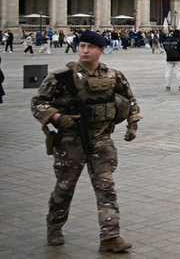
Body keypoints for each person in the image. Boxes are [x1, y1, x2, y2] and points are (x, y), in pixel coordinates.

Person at [31, 30, 141, 251]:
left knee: (106, 187)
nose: (85, 50)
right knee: (64, 188)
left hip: (100, 139)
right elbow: (38, 102)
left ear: (101, 50)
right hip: (70, 141)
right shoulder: (62, 76)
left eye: (90, 47)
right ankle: (54, 226)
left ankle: (110, 236)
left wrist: (132, 125)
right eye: (82, 46)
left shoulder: (113, 75)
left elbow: (130, 101)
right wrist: (57, 117)